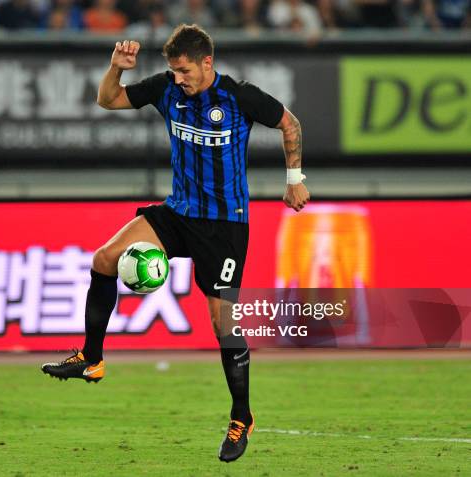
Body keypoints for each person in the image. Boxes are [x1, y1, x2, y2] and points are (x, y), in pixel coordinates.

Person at [41, 24, 310, 463]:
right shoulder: (165, 90)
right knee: (105, 259)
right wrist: (116, 69)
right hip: (178, 212)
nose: (179, 78)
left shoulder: (239, 97)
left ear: (207, 62)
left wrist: (294, 179)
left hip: (224, 224)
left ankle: (242, 416)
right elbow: (108, 100)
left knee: (223, 325)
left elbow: (289, 123)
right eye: (174, 71)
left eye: (184, 70)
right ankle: (91, 359)